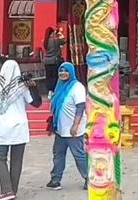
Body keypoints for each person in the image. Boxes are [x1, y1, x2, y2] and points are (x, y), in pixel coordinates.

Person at [0, 60, 42, 200]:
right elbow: (36, 103)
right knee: (17, 161)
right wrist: (34, 88)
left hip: (2, 127)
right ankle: (13, 190)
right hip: (20, 127)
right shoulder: (23, 87)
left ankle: (7, 191)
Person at [46, 62, 88, 191]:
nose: (63, 73)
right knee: (58, 154)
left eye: (66, 71)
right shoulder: (59, 86)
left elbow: (80, 107)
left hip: (73, 129)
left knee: (79, 155)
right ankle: (55, 179)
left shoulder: (77, 87)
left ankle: (89, 178)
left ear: (71, 72)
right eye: (61, 71)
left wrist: (75, 125)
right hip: (60, 128)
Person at [43, 27, 66, 99]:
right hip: (54, 60)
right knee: (55, 77)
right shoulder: (56, 40)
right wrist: (59, 33)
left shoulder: (45, 40)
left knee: (49, 77)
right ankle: (54, 91)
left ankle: (49, 91)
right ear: (52, 32)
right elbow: (64, 40)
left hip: (47, 61)